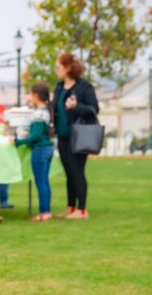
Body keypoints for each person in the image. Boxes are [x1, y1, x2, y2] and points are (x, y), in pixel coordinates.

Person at [52, 53, 99, 219]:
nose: (56, 70)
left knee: (77, 171)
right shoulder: (59, 87)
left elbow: (94, 109)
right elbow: (55, 110)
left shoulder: (84, 87)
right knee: (69, 172)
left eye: (58, 67)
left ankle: (83, 209)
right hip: (62, 136)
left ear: (68, 68)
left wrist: (76, 106)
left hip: (79, 135)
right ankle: (71, 207)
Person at [16, 83, 55, 221]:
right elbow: (39, 131)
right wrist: (31, 132)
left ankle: (43, 212)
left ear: (36, 95)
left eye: (30, 93)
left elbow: (36, 136)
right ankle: (47, 211)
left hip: (40, 150)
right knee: (44, 181)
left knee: (41, 182)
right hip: (48, 148)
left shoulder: (38, 113)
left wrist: (18, 141)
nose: (28, 96)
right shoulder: (45, 111)